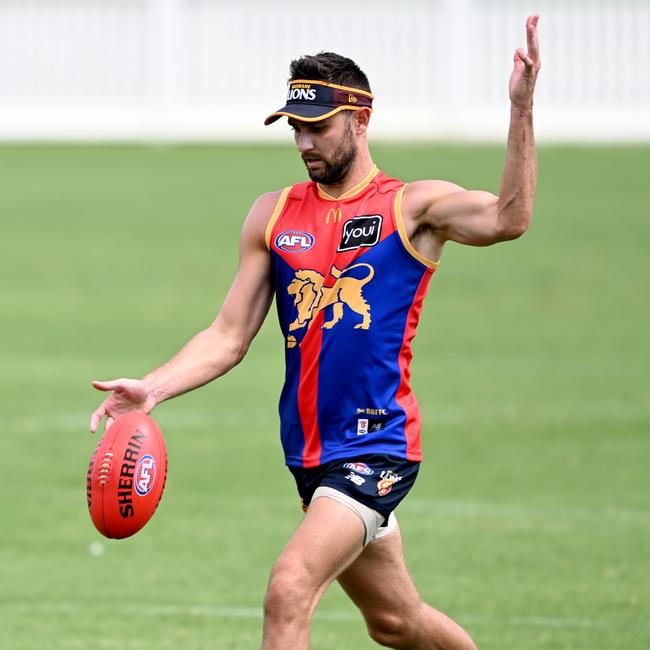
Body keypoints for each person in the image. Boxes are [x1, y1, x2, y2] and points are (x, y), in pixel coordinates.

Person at [90, 15, 540, 650]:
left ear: (360, 119)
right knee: (396, 623)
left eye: (318, 126)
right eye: (296, 127)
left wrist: (520, 111)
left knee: (289, 586)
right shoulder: (272, 214)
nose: (304, 141)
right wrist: (154, 390)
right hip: (309, 454)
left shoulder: (410, 208)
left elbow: (508, 218)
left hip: (375, 445)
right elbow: (228, 334)